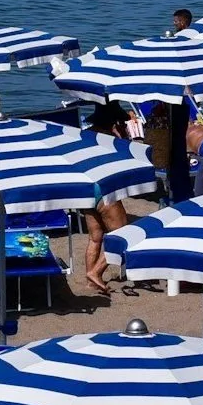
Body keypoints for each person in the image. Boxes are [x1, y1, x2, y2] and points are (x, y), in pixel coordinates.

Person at [82, 103, 133, 295]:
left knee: (95, 238)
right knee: (122, 235)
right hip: (104, 188)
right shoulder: (110, 139)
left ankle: (91, 282)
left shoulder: (84, 135)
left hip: (86, 190)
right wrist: (122, 136)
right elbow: (126, 161)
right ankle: (96, 272)